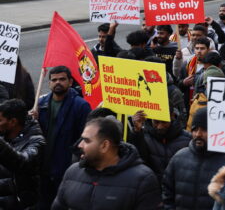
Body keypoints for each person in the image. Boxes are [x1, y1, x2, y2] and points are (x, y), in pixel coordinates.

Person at [52, 117, 161, 209]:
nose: (80, 145)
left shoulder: (142, 180)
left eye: (86, 140)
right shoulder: (73, 172)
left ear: (105, 145)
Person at [35, 66, 91, 210]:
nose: (57, 82)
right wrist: (32, 121)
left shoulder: (81, 106)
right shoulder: (40, 105)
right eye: (54, 80)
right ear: (49, 83)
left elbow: (85, 139)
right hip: (43, 170)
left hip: (65, 170)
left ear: (70, 82)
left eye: (62, 79)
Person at [163, 108, 225, 209]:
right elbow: (167, 193)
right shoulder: (179, 158)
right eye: (195, 129)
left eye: (204, 129)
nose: (198, 134)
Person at [0, 99, 45, 209]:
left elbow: (23, 163)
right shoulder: (3, 134)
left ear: (13, 122)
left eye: (0, 120)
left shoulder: (36, 142)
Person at [129, 108, 190, 183]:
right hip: (152, 187)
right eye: (156, 122)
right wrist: (137, 132)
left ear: (172, 116)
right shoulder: (144, 136)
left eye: (164, 122)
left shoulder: (187, 139)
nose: (159, 126)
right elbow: (139, 160)